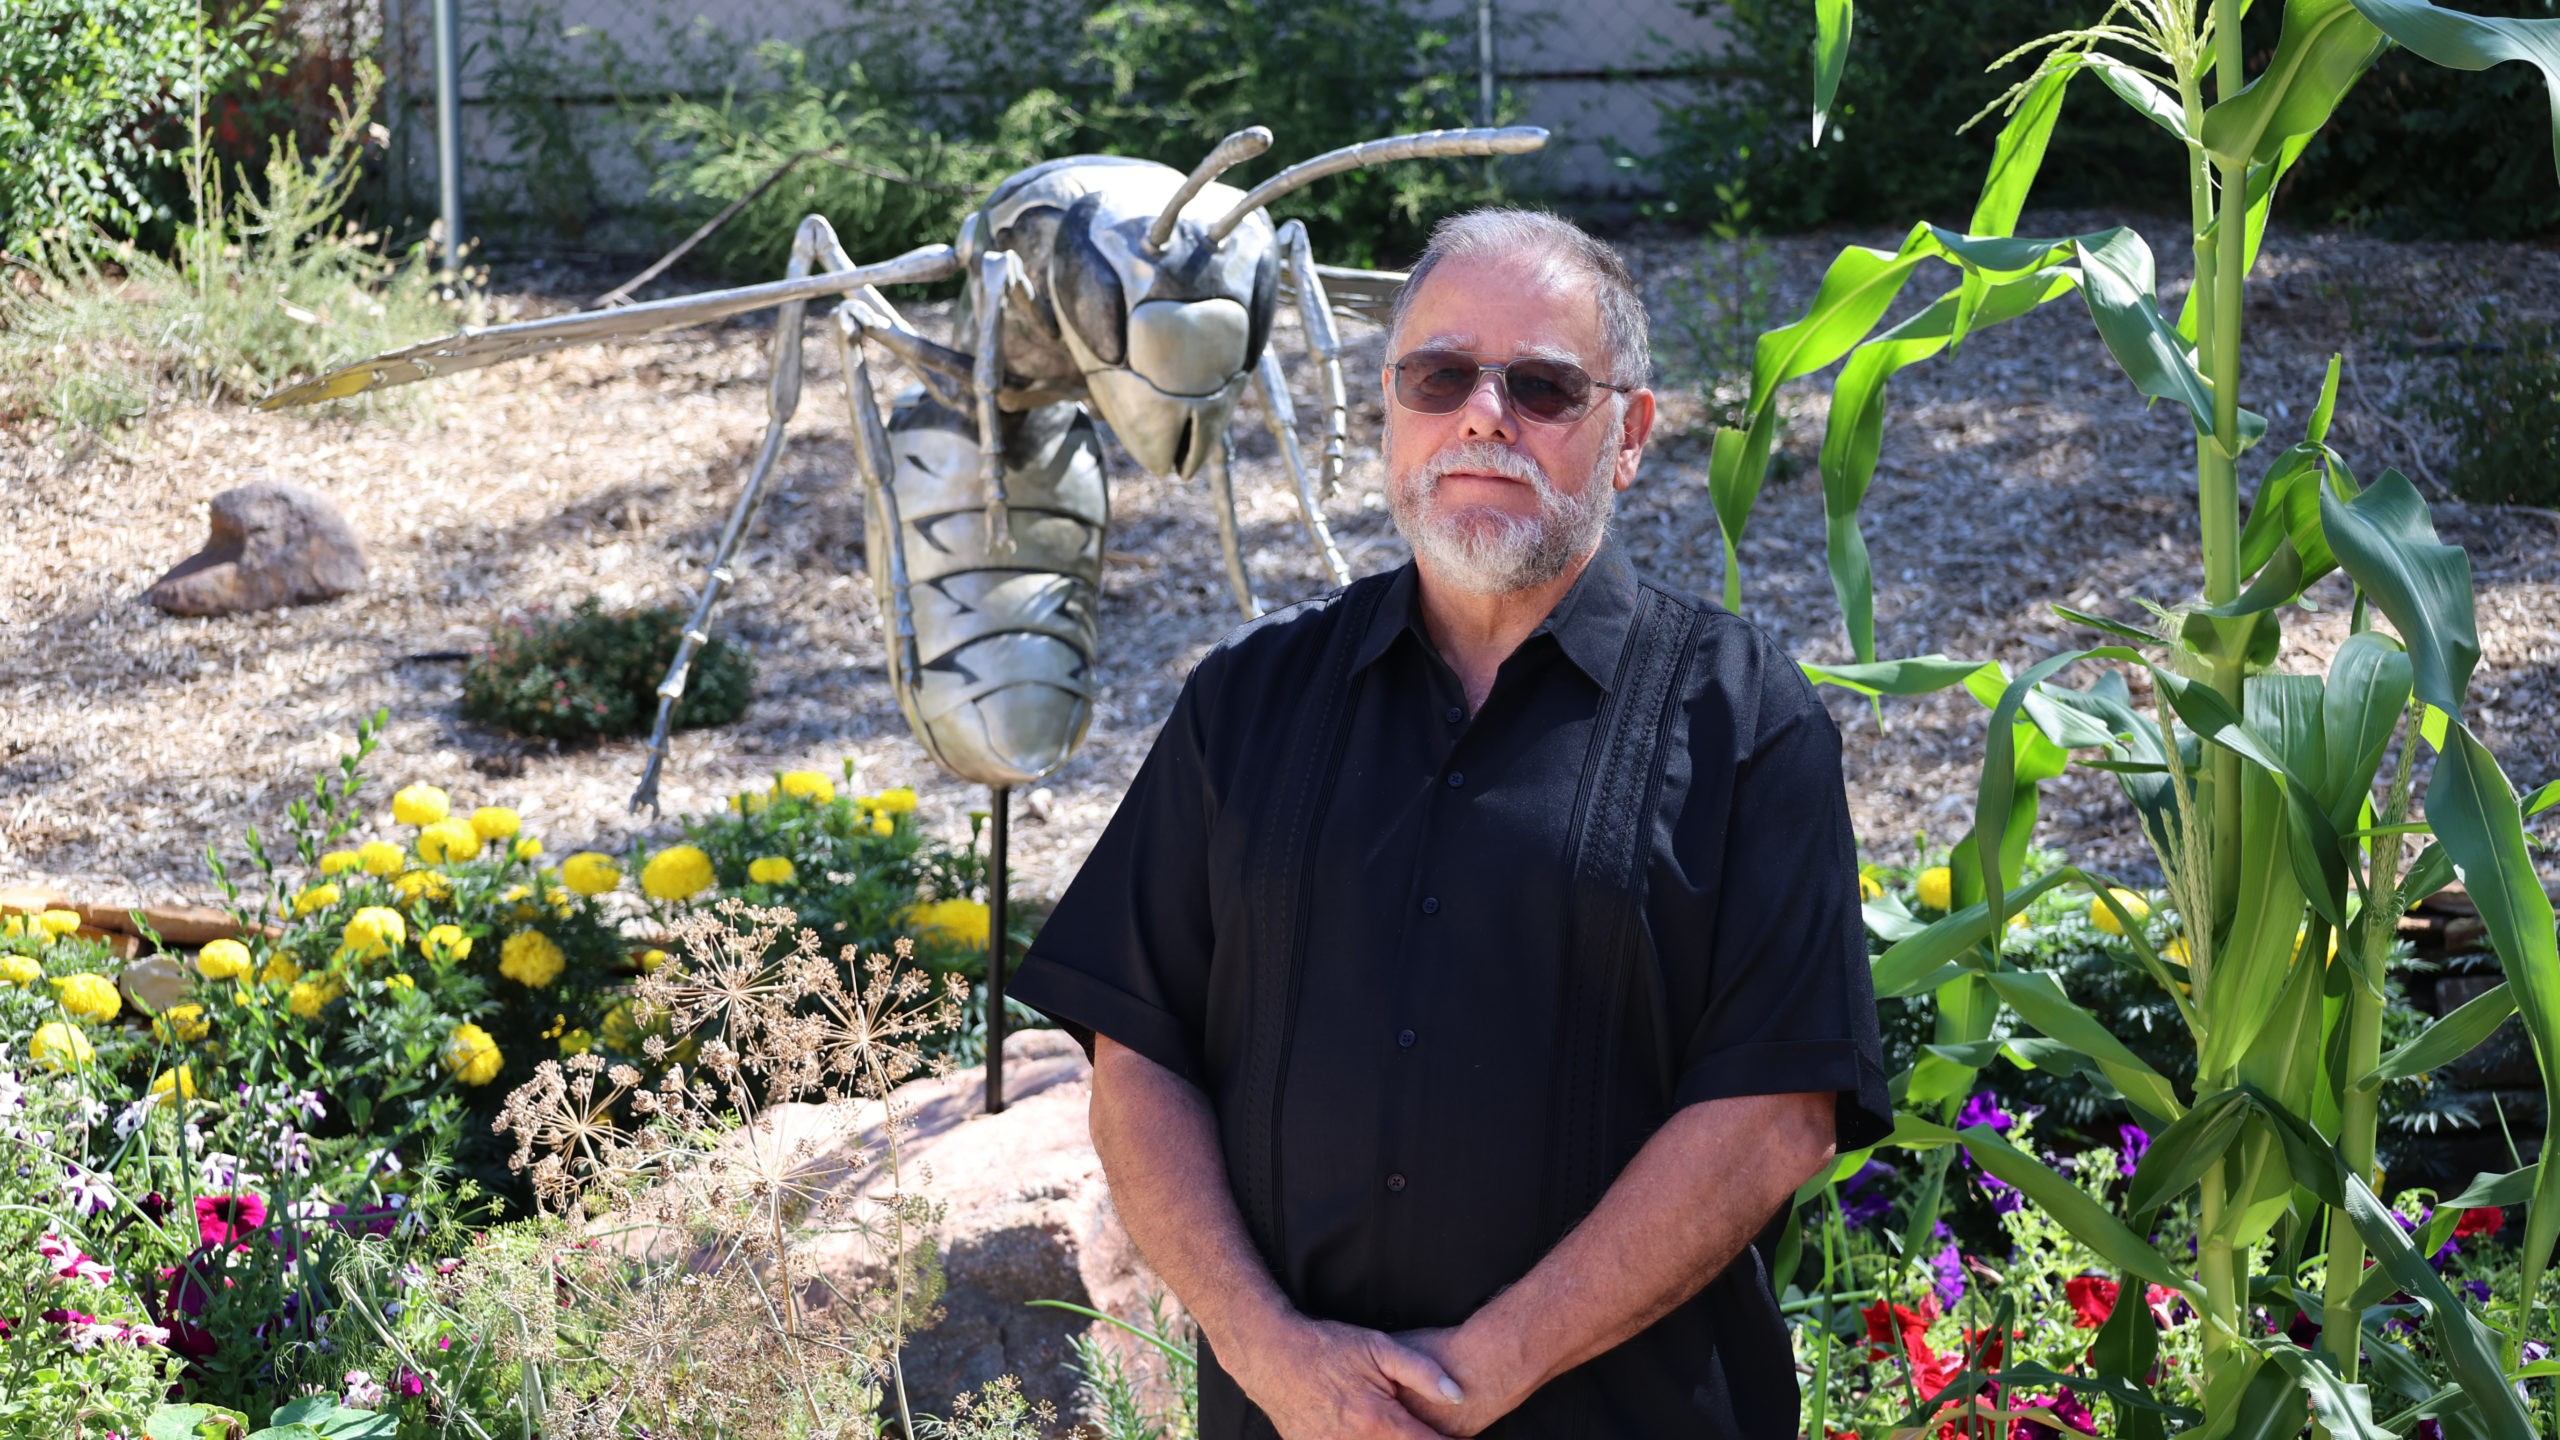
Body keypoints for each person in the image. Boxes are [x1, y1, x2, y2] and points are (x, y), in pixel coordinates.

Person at [1010, 208, 1891, 1439]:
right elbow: (1136, 1057)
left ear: (1627, 434)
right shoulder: (1245, 703)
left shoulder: (1746, 725)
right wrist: (1276, 1359)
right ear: (1391, 408)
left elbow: (1773, 1116)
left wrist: (1471, 1379)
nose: (1483, 414)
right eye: (1439, 375)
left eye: (1541, 385)